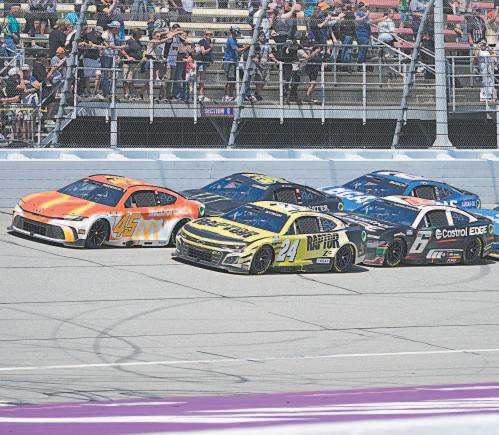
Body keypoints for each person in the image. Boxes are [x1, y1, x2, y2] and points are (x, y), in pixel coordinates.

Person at [100, 21, 127, 100]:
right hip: (106, 56)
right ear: (114, 28)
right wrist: (120, 47)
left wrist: (118, 56)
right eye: (117, 29)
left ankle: (112, 93)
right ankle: (106, 93)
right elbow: (107, 45)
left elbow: (117, 45)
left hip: (114, 56)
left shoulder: (116, 35)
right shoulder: (105, 34)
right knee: (105, 75)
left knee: (115, 75)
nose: (118, 30)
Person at [223, 26, 249, 101]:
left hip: (234, 61)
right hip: (230, 61)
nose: (238, 34)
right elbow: (237, 50)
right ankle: (227, 95)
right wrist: (246, 47)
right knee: (230, 79)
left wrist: (244, 47)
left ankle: (230, 95)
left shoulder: (234, 40)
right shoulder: (231, 39)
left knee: (232, 79)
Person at [81, 26, 104, 97]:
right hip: (88, 58)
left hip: (96, 58)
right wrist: (98, 46)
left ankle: (96, 92)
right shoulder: (89, 35)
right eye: (100, 33)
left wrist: (101, 48)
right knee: (87, 76)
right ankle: (89, 92)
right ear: (96, 32)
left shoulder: (100, 38)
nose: (101, 34)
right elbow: (91, 45)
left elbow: (102, 45)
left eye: (101, 33)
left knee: (98, 75)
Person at [122, 29, 144, 100]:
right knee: (127, 79)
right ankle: (126, 94)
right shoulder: (130, 41)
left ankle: (131, 93)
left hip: (135, 64)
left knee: (132, 80)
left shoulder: (138, 42)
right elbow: (122, 49)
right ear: (136, 34)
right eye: (140, 34)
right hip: (128, 64)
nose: (141, 35)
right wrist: (128, 57)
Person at [194, 30, 214, 102]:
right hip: (200, 62)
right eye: (207, 34)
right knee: (200, 78)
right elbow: (203, 52)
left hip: (204, 62)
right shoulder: (202, 41)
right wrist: (210, 48)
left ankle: (201, 95)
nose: (209, 35)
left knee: (202, 79)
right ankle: (199, 95)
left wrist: (210, 59)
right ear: (204, 34)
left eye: (210, 34)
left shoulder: (210, 41)